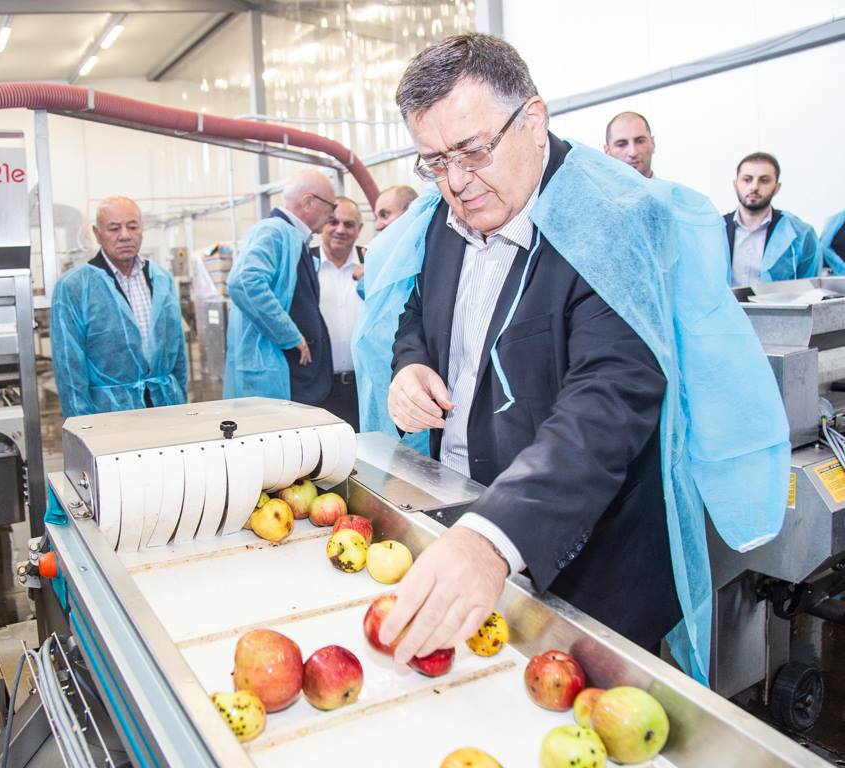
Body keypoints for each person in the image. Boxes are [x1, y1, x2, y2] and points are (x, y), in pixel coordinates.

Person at [358, 33, 788, 685]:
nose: (455, 182)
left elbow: (607, 402)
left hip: (588, 569)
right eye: (435, 161)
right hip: (464, 525)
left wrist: (492, 538)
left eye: (472, 151)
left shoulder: (610, 225)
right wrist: (409, 366)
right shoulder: (443, 220)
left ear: (533, 120)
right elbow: (416, 312)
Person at [51, 196, 187, 417]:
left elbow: (178, 351)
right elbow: (69, 367)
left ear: (142, 229)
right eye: (114, 228)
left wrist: (182, 405)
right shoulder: (74, 286)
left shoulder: (162, 279)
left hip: (166, 406)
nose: (125, 235)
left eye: (132, 227)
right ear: (97, 234)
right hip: (108, 414)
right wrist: (82, 425)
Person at [223, 169, 335, 406]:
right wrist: (290, 335)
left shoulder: (295, 239)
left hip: (295, 374)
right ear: (308, 202)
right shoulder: (274, 231)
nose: (331, 215)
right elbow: (244, 281)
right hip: (275, 373)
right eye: (330, 206)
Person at [309, 196, 365, 431]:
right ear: (323, 224)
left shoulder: (372, 262)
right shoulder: (304, 263)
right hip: (316, 390)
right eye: (333, 222)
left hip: (363, 388)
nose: (340, 230)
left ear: (360, 229)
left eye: (349, 224)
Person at [724, 152, 821, 286]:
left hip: (780, 301)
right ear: (735, 185)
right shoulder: (714, 230)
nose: (754, 187)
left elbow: (810, 290)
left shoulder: (801, 235)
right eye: (747, 179)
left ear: (776, 187)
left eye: (764, 180)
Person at [603, 111, 655, 178]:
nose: (633, 153)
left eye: (640, 141)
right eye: (621, 144)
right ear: (607, 151)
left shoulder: (668, 185)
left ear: (652, 143)